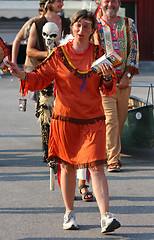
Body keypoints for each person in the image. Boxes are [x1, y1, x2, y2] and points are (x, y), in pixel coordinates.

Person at [8, 9, 121, 234]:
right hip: (65, 120)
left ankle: (105, 216)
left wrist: (108, 76)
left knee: (98, 166)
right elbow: (40, 78)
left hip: (92, 119)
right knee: (67, 167)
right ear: (72, 28)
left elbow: (107, 87)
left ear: (92, 30)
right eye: (78, 25)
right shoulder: (59, 54)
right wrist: (22, 75)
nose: (81, 29)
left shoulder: (100, 54)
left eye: (87, 26)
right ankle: (69, 213)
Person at [94, 0, 139, 172]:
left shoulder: (128, 23)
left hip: (124, 82)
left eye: (114, 0)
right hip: (103, 82)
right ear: (99, 2)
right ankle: (114, 159)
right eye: (106, 0)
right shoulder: (93, 25)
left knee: (120, 120)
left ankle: (108, 152)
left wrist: (127, 75)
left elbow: (134, 50)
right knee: (110, 120)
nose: (110, 4)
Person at [24, 0, 70, 162]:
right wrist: (48, 54)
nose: (62, 3)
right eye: (58, 0)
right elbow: (29, 50)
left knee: (64, 113)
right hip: (44, 75)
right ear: (49, 2)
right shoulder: (37, 24)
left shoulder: (67, 23)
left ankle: (63, 148)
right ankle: (48, 151)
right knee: (45, 113)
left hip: (64, 75)